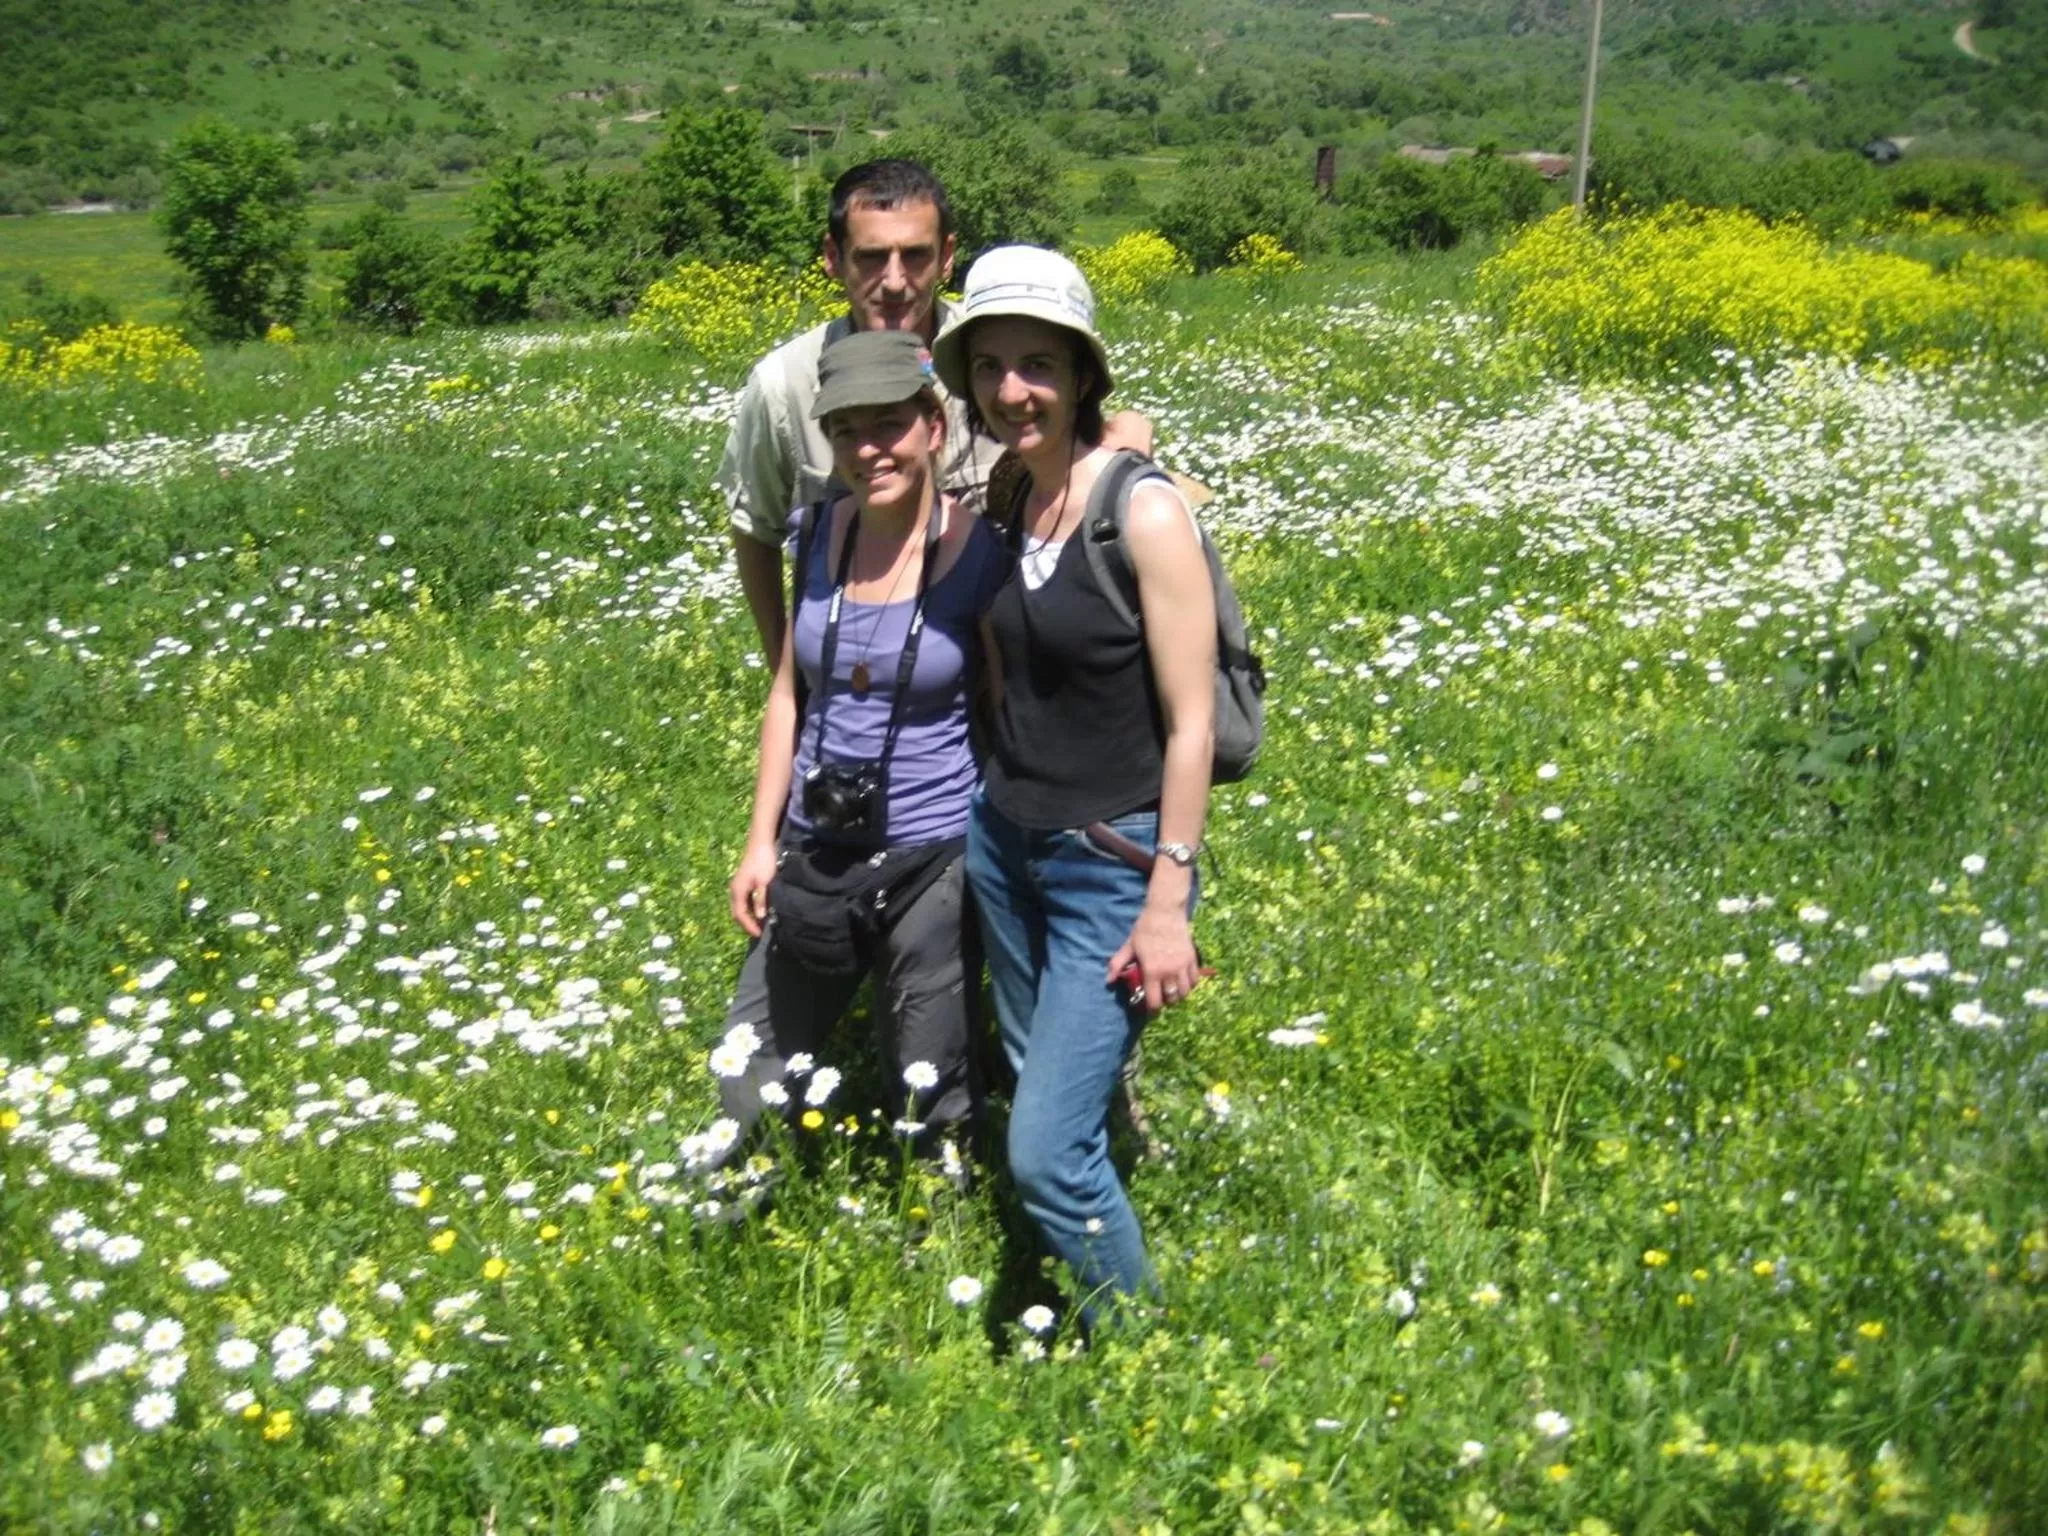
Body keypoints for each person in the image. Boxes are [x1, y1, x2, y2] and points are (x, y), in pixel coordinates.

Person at [930, 246, 1218, 1325]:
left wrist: (1165, 900)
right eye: (991, 365)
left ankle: (1142, 1352)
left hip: (1111, 860)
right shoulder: (1010, 494)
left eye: (1038, 365)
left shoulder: (1141, 513)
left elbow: (1190, 725)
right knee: (1043, 1077)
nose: (1012, 391)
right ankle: (1108, 1213)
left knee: (1043, 1152)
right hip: (1004, 844)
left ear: (1083, 374)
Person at [712, 328, 1011, 1166]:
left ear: (933, 428)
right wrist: (759, 843)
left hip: (932, 854)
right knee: (746, 1070)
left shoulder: (980, 555)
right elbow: (786, 696)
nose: (867, 448)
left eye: (888, 424)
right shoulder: (814, 535)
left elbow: (1005, 708)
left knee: (928, 1080)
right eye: (846, 430)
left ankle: (937, 1227)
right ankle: (754, 1185)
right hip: (816, 845)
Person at [716, 158, 1152, 674]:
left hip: (1003, 665)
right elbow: (755, 530)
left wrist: (1125, 436)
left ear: (947, 257)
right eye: (872, 257)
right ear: (833, 257)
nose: (895, 281)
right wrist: (786, 670)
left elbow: (1078, 440)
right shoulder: (784, 386)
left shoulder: (994, 363)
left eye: (916, 256)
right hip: (862, 679)